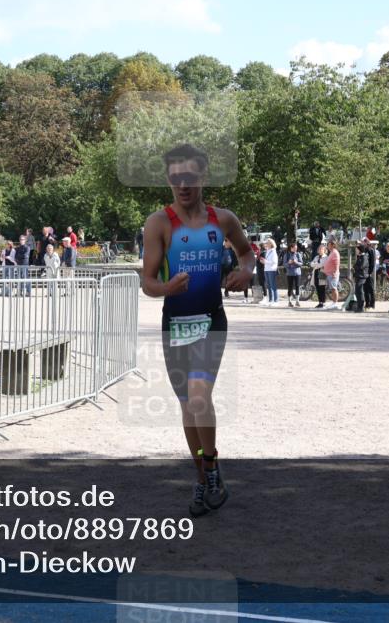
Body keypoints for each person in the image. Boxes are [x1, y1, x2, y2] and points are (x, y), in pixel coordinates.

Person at [141, 143, 254, 517]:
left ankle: (211, 465)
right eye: (176, 179)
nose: (183, 185)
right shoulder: (159, 223)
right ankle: (205, 477)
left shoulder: (222, 220)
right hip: (175, 323)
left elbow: (247, 252)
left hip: (210, 320)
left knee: (199, 394)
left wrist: (246, 271)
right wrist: (166, 288)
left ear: (203, 177)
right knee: (188, 406)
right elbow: (147, 282)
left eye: (190, 178)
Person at [323, 239, 341, 310]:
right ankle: (334, 302)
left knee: (334, 288)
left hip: (333, 273)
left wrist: (335, 272)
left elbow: (336, 263)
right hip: (330, 273)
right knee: (332, 289)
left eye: (328, 245)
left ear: (332, 245)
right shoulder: (332, 252)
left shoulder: (335, 252)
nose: (327, 246)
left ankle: (335, 303)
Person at [283, 241, 302, 307]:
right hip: (290, 273)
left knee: (297, 286)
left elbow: (301, 263)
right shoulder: (286, 255)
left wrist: (296, 262)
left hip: (297, 273)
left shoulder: (298, 254)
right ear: (291, 248)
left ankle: (297, 301)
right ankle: (289, 301)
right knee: (290, 287)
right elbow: (284, 264)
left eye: (296, 248)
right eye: (294, 248)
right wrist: (289, 263)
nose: (295, 249)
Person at [260, 238, 279, 305]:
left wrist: (265, 261)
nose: (266, 244)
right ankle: (271, 300)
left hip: (272, 270)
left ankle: (276, 300)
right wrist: (264, 261)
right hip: (267, 269)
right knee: (269, 286)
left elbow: (274, 262)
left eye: (267, 243)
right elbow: (268, 261)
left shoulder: (273, 251)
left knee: (273, 285)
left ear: (271, 244)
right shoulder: (268, 251)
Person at [353, 242, 369, 313]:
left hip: (362, 277)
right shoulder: (359, 257)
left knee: (360, 291)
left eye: (356, 249)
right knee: (357, 291)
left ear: (360, 250)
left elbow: (361, 266)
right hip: (358, 276)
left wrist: (355, 267)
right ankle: (359, 306)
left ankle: (361, 307)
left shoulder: (364, 257)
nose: (356, 251)